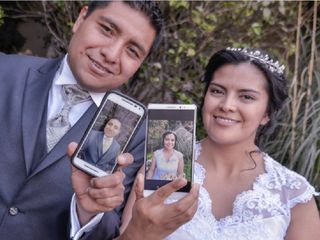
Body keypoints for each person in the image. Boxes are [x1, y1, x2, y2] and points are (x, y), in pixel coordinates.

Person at [0, 1, 164, 240]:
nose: (111, 54)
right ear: (81, 19)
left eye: (132, 51)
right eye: (107, 29)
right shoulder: (5, 70)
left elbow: (107, 231)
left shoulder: (137, 134)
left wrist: (88, 212)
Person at [120, 48, 320, 239]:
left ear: (267, 113)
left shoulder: (293, 195)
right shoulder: (160, 166)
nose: (226, 105)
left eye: (247, 97)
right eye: (217, 91)